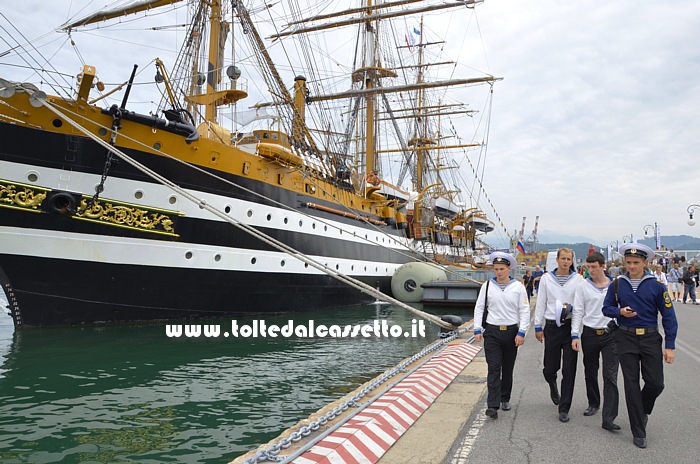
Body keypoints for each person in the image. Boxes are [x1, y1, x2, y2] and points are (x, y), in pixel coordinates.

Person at [602, 243, 677, 449]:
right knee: (631, 384)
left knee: (656, 383)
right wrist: (620, 313)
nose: (632, 266)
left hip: (651, 338)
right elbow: (606, 308)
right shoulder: (617, 284)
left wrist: (669, 345)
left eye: (636, 263)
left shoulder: (657, 286)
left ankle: (643, 409)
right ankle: (638, 431)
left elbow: (669, 317)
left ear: (645, 262)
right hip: (625, 339)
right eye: (628, 263)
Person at [474, 252, 531, 419]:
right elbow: (479, 307)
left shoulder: (518, 287)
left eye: (501, 269)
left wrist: (522, 332)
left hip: (511, 331)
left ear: (508, 269)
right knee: (493, 368)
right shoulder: (487, 286)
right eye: (496, 269)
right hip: (492, 332)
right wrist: (477, 328)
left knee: (507, 368)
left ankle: (505, 397)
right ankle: (493, 405)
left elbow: (524, 310)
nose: (498, 272)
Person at [571, 252, 620, 431]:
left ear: (602, 266)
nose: (590, 270)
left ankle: (609, 416)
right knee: (591, 371)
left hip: (611, 335)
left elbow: (620, 307)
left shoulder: (615, 285)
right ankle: (593, 402)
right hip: (590, 333)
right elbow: (578, 310)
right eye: (588, 267)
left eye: (594, 267)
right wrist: (574, 335)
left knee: (610, 375)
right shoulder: (583, 286)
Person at [534, 248, 583, 423]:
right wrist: (537, 326)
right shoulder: (547, 279)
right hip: (552, 327)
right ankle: (552, 384)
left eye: (569, 259)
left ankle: (564, 407)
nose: (565, 262)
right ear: (557, 260)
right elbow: (540, 303)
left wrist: (576, 333)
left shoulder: (578, 280)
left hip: (569, 327)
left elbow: (579, 307)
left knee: (570, 370)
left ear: (572, 261)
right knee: (549, 367)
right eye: (563, 258)